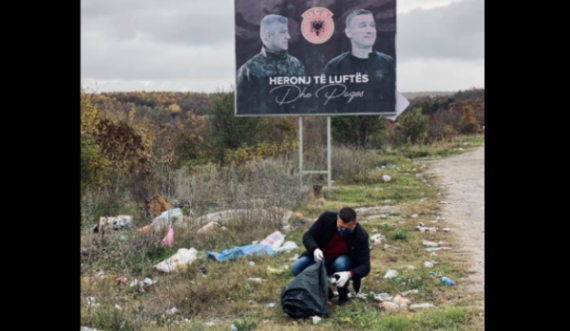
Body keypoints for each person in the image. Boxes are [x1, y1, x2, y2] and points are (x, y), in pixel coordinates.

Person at [292, 207, 370, 305]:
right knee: (297, 268)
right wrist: (314, 249)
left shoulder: (361, 236)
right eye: (340, 227)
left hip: (341, 265)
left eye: (347, 229)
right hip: (320, 259)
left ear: (355, 224)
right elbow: (308, 236)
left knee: (342, 262)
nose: (343, 230)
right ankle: (324, 290)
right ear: (337, 219)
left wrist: (349, 274)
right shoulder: (327, 218)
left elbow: (366, 266)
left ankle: (343, 294)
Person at [322, 9, 395, 113]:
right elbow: (327, 105)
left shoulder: (388, 63)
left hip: (379, 125)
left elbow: (394, 101)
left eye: (372, 25)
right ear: (348, 32)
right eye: (363, 25)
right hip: (345, 125)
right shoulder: (334, 66)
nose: (369, 30)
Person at [236, 14, 306, 115]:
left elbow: (303, 103)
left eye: (287, 32)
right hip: (262, 127)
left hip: (293, 125)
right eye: (283, 32)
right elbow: (242, 109)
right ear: (268, 36)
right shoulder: (248, 70)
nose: (288, 36)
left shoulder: (296, 65)